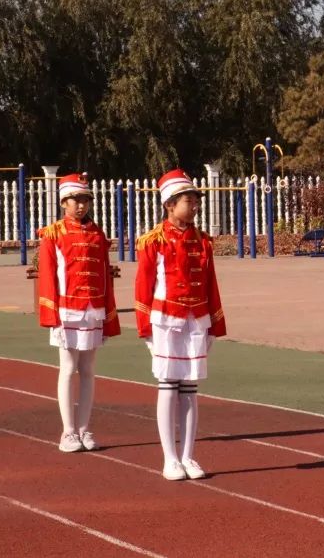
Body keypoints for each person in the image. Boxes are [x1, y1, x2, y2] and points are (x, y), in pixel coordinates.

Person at [134, 169, 227, 481]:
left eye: (196, 200)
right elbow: (143, 288)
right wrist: (145, 330)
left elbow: (211, 285)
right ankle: (169, 458)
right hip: (165, 322)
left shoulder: (203, 242)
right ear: (170, 205)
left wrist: (215, 325)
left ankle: (188, 455)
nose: (195, 205)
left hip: (196, 321)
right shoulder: (152, 242)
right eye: (189, 200)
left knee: (190, 389)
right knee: (167, 387)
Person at [37, 173, 120, 453]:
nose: (81, 205)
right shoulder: (53, 234)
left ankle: (84, 428)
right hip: (67, 310)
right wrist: (51, 314)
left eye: (85, 200)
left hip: (92, 310)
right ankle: (68, 431)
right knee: (68, 368)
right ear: (63, 202)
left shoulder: (97, 233)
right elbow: (48, 277)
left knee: (88, 370)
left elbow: (105, 276)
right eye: (75, 200)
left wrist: (108, 310)